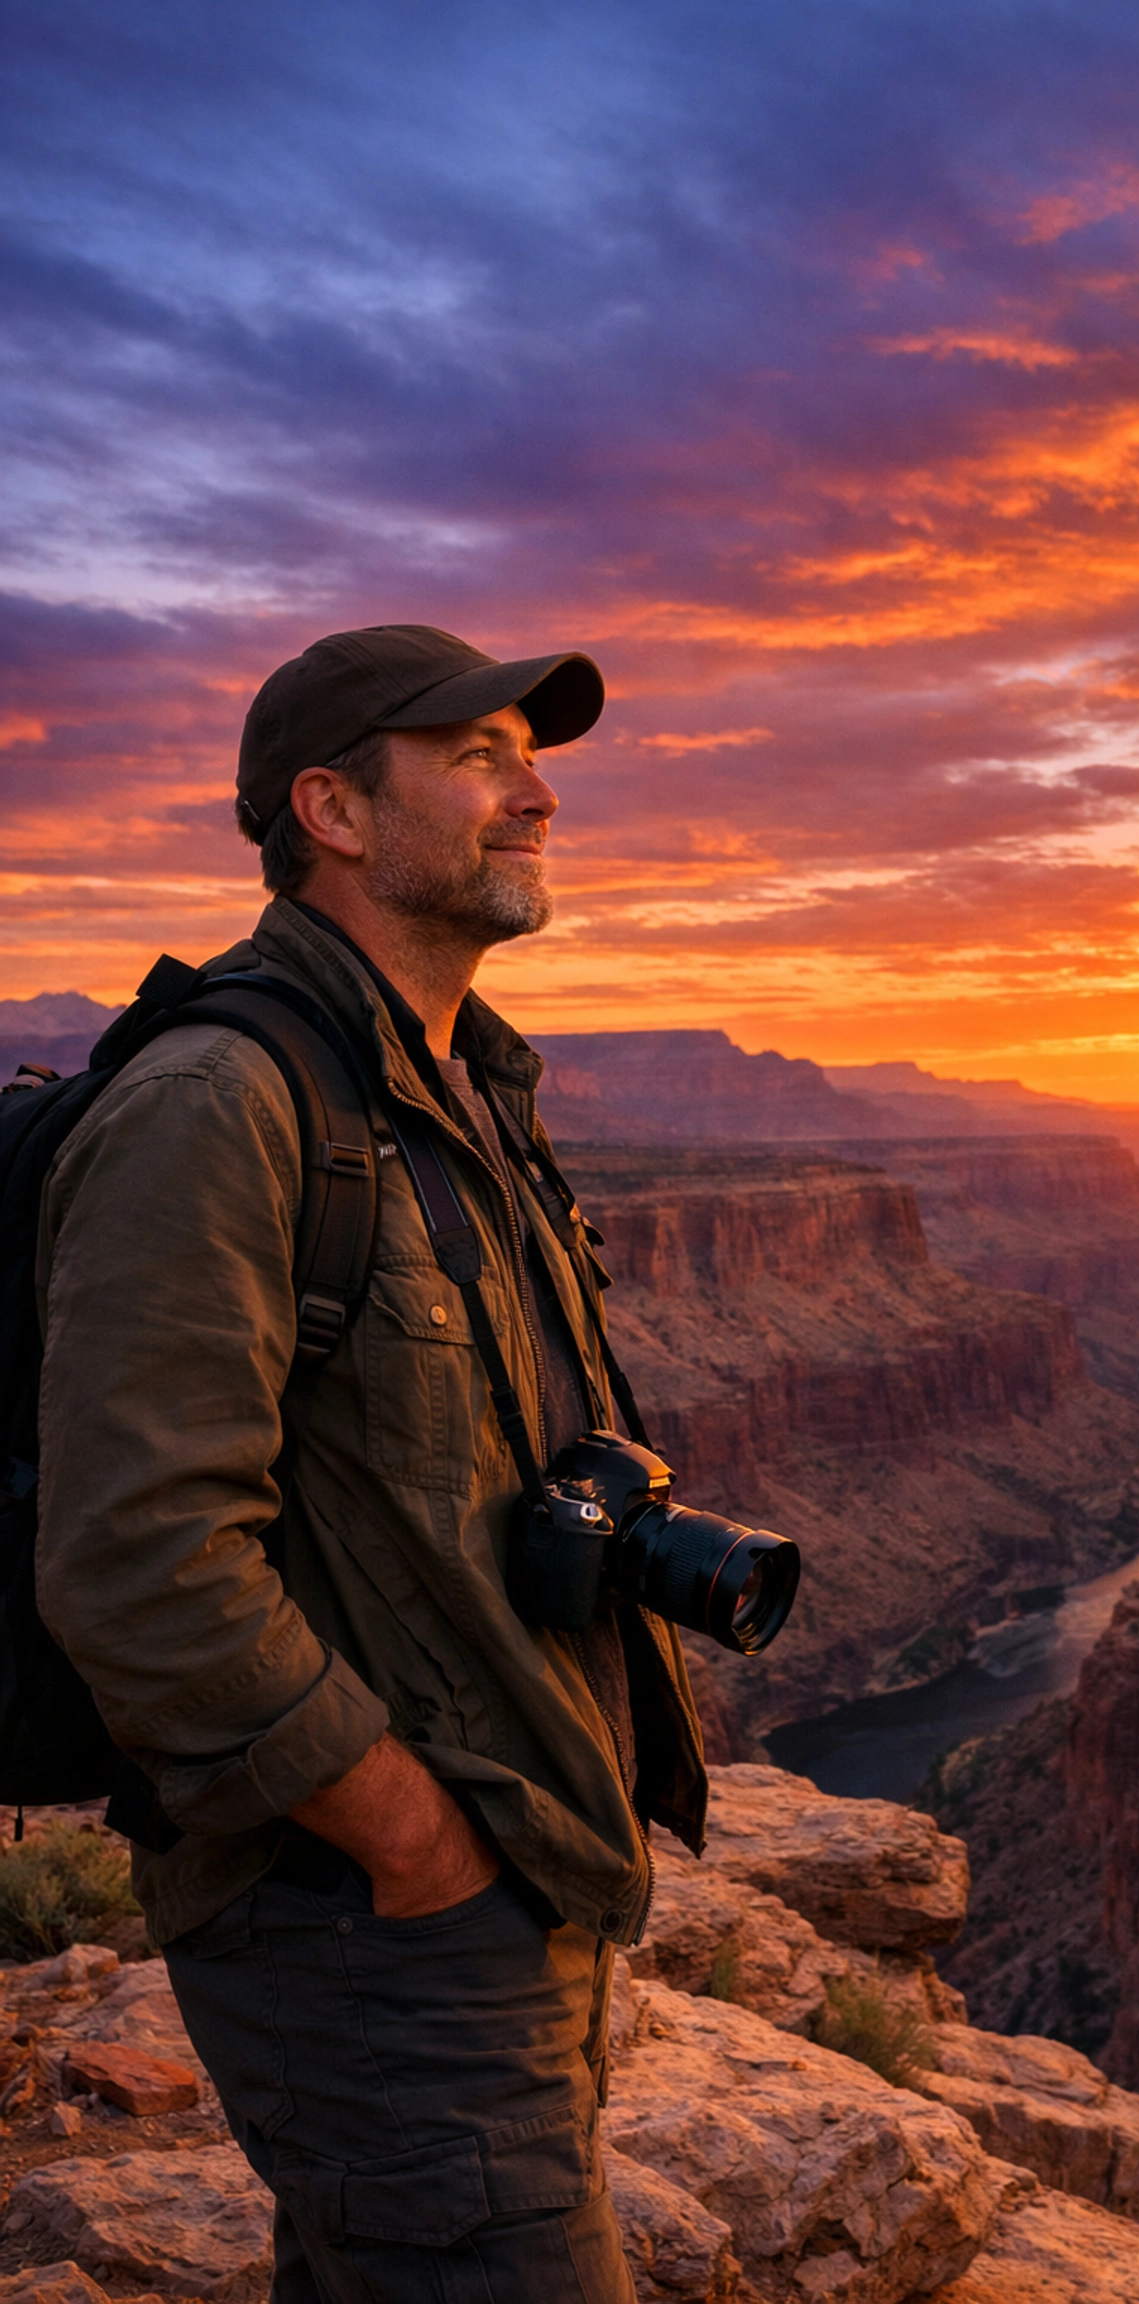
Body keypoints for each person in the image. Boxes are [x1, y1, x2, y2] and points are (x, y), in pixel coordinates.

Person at [34, 624, 707, 2304]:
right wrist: (418, 1844)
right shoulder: (223, 1103)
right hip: (368, 1916)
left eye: (527, 757)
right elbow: (141, 1557)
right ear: (332, 809)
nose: (536, 794)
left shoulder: (459, 1091)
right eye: (477, 756)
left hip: (497, 1886)